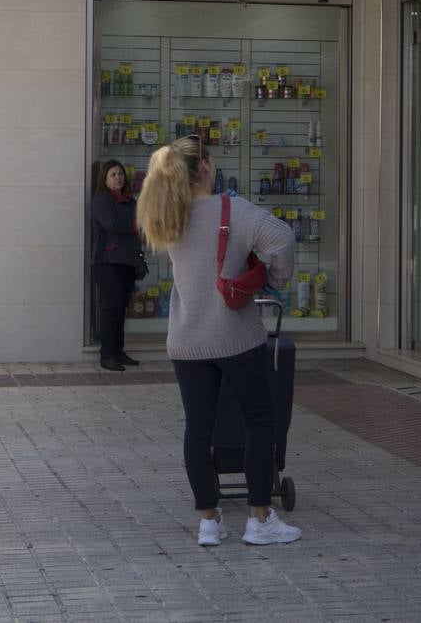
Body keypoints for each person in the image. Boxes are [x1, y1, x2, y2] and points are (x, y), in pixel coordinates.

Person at [137, 136, 301, 547]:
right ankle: (259, 518)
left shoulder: (166, 214)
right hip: (235, 336)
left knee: (198, 428)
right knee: (260, 423)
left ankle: (209, 522)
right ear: (207, 166)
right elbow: (282, 240)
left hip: (187, 338)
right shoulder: (233, 210)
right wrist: (276, 279)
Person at [90, 159, 143, 372]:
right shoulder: (101, 200)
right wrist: (135, 224)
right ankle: (107, 355)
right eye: (113, 174)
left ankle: (118, 351)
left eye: (120, 174)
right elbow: (112, 224)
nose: (118, 178)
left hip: (127, 261)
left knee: (121, 309)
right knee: (111, 308)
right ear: (104, 179)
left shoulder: (131, 201)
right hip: (107, 262)